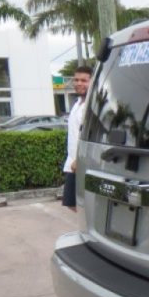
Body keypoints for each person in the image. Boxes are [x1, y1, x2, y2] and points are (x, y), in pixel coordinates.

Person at [62, 66, 91, 212]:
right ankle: (87, 228)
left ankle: (88, 229)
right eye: (77, 80)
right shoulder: (77, 103)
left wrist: (80, 159)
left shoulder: (91, 105)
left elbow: (91, 134)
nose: (79, 83)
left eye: (84, 80)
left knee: (77, 202)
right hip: (72, 161)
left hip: (82, 162)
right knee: (71, 202)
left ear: (92, 82)